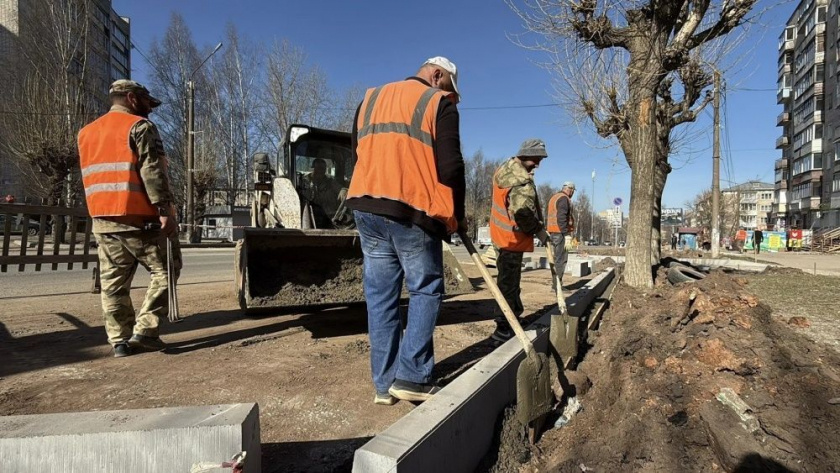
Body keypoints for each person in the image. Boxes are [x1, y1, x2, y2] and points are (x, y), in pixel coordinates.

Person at [346, 57, 466, 405]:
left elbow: (357, 152)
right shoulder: (437, 102)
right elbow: (451, 167)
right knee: (425, 289)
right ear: (437, 75)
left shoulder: (370, 99)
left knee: (380, 297)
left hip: (367, 206)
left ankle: (385, 385)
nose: (450, 96)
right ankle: (413, 376)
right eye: (449, 88)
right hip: (412, 209)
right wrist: (456, 216)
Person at [77, 80, 181, 358]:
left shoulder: (86, 132)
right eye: (148, 102)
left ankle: (119, 341)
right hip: (140, 217)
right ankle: (145, 332)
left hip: (102, 219)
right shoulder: (140, 127)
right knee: (167, 269)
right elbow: (152, 170)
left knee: (113, 283)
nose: (151, 109)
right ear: (132, 98)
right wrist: (164, 210)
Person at [489, 139, 549, 343]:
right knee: (509, 284)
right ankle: (504, 328)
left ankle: (512, 318)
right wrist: (539, 231)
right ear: (525, 155)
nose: (537, 165)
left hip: (500, 235)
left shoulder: (504, 168)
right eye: (536, 159)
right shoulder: (521, 182)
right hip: (511, 239)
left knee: (508, 281)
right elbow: (523, 215)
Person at [546, 182, 575, 292]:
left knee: (557, 259)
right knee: (561, 259)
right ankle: (557, 286)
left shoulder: (555, 197)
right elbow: (561, 217)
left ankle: (556, 284)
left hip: (554, 231)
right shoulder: (563, 199)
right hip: (560, 233)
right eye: (572, 191)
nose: (572, 193)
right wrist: (566, 234)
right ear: (570, 189)